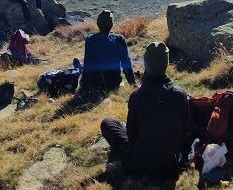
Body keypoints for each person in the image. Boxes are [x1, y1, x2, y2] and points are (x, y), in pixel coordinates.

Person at [101, 42, 189, 178]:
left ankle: (121, 160)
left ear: (146, 64)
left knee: (108, 123)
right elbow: (185, 131)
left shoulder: (137, 96)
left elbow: (131, 136)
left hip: (140, 165)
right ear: (166, 63)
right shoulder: (180, 94)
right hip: (170, 166)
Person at [79, 10, 136, 97]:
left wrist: (84, 86)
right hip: (114, 84)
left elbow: (88, 65)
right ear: (112, 24)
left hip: (95, 85)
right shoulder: (119, 40)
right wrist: (132, 83)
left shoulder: (91, 40)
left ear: (98, 24)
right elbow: (126, 64)